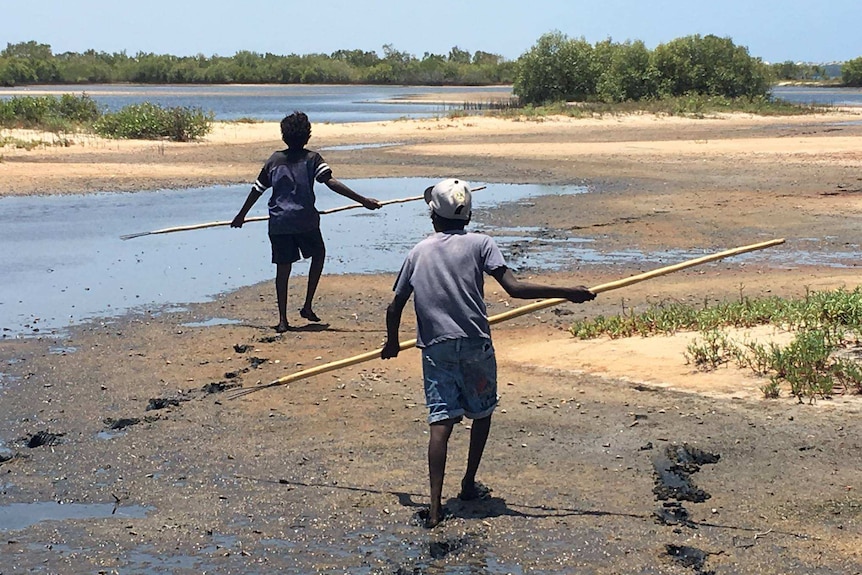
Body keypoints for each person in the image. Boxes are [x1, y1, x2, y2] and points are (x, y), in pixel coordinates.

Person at [381, 178, 596, 528]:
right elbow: (514, 287)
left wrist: (392, 343)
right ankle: (467, 484)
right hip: (475, 342)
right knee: (482, 413)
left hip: (436, 348)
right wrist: (566, 291)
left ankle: (435, 508)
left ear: (433, 215)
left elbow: (395, 307)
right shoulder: (482, 243)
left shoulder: (417, 252)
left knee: (441, 422)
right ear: (467, 216)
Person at [231, 111, 381, 333]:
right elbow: (330, 182)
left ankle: (283, 320)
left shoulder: (274, 160)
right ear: (307, 136)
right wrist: (363, 201)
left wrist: (241, 215)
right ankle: (307, 305)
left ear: (284, 136)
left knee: (283, 269)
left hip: (280, 222)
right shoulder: (312, 159)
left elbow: (257, 190)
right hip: (305, 222)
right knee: (318, 254)